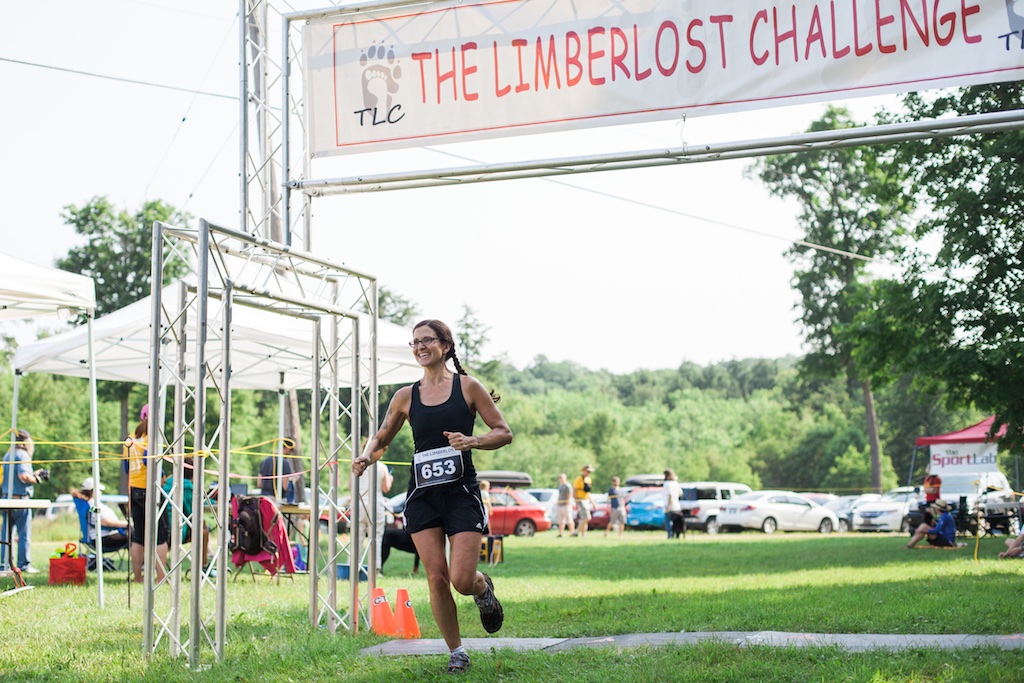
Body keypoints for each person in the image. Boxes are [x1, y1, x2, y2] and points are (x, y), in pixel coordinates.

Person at [352, 319, 512, 674]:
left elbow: (503, 432)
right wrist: (366, 456)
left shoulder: (468, 387)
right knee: (436, 578)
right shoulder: (405, 396)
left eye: (427, 340)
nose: (420, 347)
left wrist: (472, 441)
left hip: (461, 493)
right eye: (414, 342)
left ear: (445, 345)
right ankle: (457, 652)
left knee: (461, 579)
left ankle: (482, 588)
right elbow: (382, 437)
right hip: (422, 496)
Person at [124, 404, 170, 583]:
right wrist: (162, 474)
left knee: (139, 536)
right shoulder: (152, 437)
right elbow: (147, 460)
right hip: (149, 489)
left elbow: (126, 467)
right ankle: (161, 577)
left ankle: (138, 577)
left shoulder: (130, 439)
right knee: (160, 535)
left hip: (134, 489)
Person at [1, 430, 46, 574]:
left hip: (6, 499)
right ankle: (23, 565)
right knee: (24, 535)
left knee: (6, 534)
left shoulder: (8, 454)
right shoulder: (22, 455)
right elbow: (23, 476)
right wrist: (36, 479)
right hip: (20, 501)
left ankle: (4, 564)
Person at [162, 457, 212, 575]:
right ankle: (203, 567)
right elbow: (192, 512)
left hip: (160, 527)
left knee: (202, 526)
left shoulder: (168, 482)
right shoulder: (186, 485)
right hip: (174, 530)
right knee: (203, 531)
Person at [353, 440, 393, 573]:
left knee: (356, 536)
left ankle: (353, 566)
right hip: (376, 503)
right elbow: (386, 488)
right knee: (376, 536)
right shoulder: (382, 467)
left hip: (359, 502)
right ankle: (375, 568)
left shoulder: (357, 464)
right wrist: (389, 479)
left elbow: (350, 486)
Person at [75, 476, 130, 553]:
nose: (101, 492)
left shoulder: (87, 505)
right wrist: (128, 524)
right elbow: (106, 522)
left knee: (134, 535)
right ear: (93, 491)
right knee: (137, 536)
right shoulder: (94, 505)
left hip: (96, 538)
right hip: (102, 539)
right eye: (99, 490)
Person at [573, 464, 596, 537]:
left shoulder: (588, 479)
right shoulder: (579, 479)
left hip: (586, 500)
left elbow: (588, 493)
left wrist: (593, 503)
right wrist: (576, 501)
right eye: (587, 471)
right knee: (587, 517)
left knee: (584, 519)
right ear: (583, 471)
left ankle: (583, 534)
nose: (589, 473)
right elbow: (574, 490)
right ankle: (576, 531)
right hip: (580, 500)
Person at [663, 469, 683, 539]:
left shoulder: (667, 484)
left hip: (670, 506)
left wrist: (668, 505)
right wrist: (675, 497)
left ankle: (670, 535)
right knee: (676, 522)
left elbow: (670, 495)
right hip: (677, 506)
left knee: (668, 520)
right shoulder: (675, 483)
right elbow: (680, 493)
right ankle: (676, 534)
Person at [554, 473, 575, 537]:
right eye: (559, 478)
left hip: (566, 505)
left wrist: (567, 502)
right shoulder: (560, 485)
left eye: (561, 477)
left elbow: (569, 494)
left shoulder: (567, 485)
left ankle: (572, 532)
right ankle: (561, 533)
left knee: (569, 519)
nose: (560, 479)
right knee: (560, 521)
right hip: (560, 505)